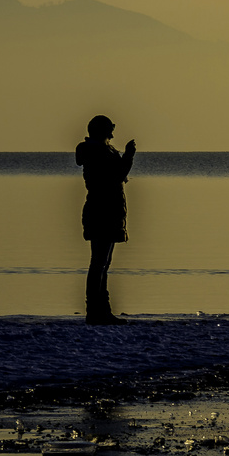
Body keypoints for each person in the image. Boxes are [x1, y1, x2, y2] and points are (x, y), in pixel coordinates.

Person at [76, 115, 135, 325]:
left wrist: (125, 157)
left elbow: (117, 175)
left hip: (107, 210)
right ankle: (94, 311)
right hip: (102, 211)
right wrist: (128, 156)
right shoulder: (97, 152)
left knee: (103, 263)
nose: (112, 133)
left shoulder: (102, 151)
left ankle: (103, 310)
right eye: (110, 129)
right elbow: (117, 175)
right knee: (99, 263)